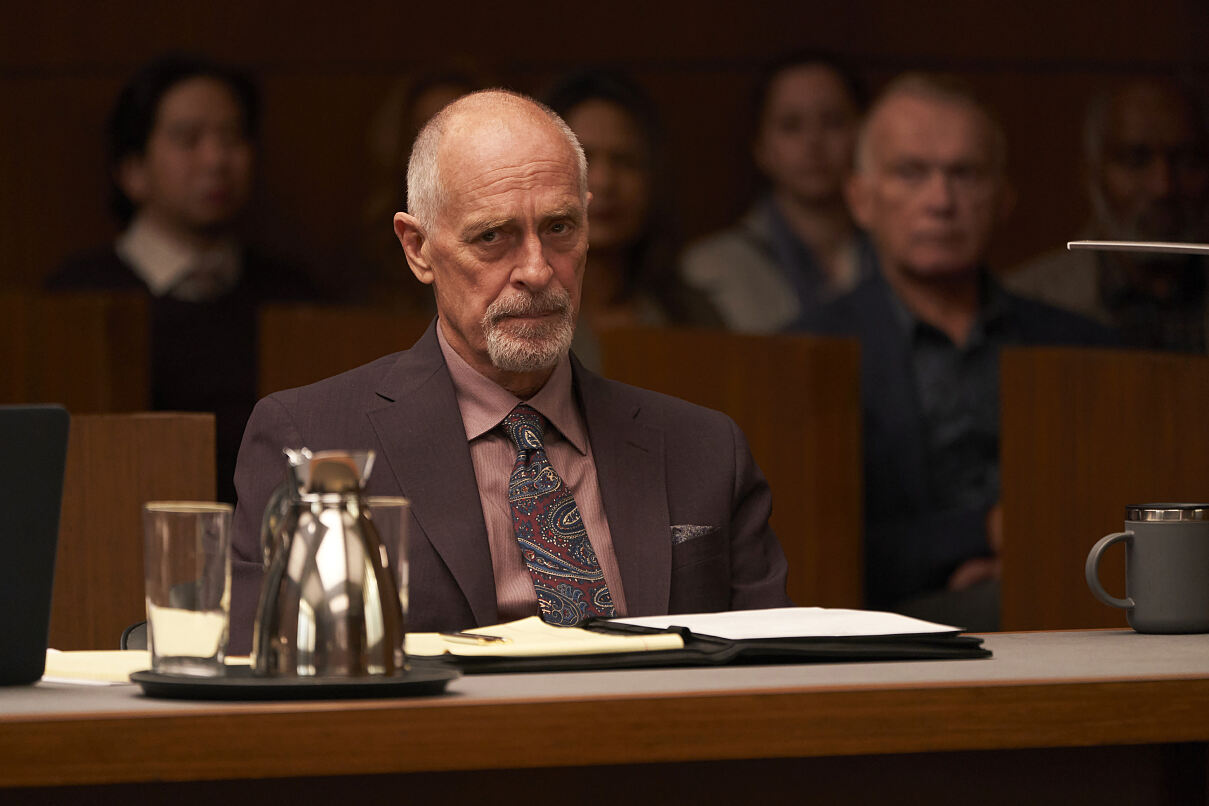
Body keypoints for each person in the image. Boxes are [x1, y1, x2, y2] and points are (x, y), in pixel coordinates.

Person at [226, 90, 790, 652]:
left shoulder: (704, 450)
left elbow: (775, 673)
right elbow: (272, 673)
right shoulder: (314, 440)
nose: (537, 271)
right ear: (418, 248)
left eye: (560, 228)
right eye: (492, 237)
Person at [799, 74, 1116, 631]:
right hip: (880, 625)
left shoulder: (1082, 347)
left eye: (964, 174)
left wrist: (1027, 564)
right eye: (911, 173)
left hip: (1070, 596)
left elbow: (1115, 506)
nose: (941, 201)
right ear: (860, 198)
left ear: (1004, 197)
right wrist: (984, 533)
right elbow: (808, 543)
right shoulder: (805, 353)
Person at [46, 54, 315, 503]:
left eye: (231, 137)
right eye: (188, 139)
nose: (216, 160)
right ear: (133, 170)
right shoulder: (77, 301)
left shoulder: (291, 296)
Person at [1006, 78, 1209, 352]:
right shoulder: (1024, 306)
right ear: (1092, 174)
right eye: (1136, 160)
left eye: (1187, 161)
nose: (1163, 186)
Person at [679, 52, 876, 333]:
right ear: (761, 148)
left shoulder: (903, 254)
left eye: (833, 121)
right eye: (791, 125)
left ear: (864, 135)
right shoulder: (707, 270)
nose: (813, 142)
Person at [542, 69, 719, 369]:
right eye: (582, 159)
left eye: (625, 162)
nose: (604, 181)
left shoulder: (689, 315)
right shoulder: (499, 309)